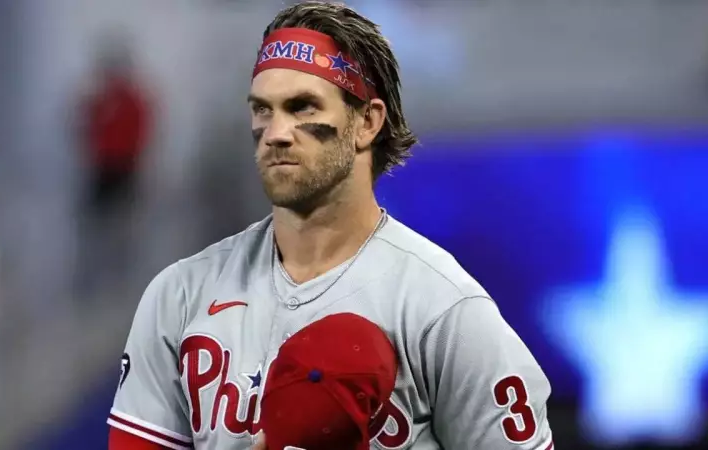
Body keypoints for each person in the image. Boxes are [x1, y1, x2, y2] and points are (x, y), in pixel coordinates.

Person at [107, 2, 554, 449]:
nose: (275, 133)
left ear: (367, 123)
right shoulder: (181, 295)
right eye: (262, 109)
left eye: (302, 107)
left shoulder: (444, 309)